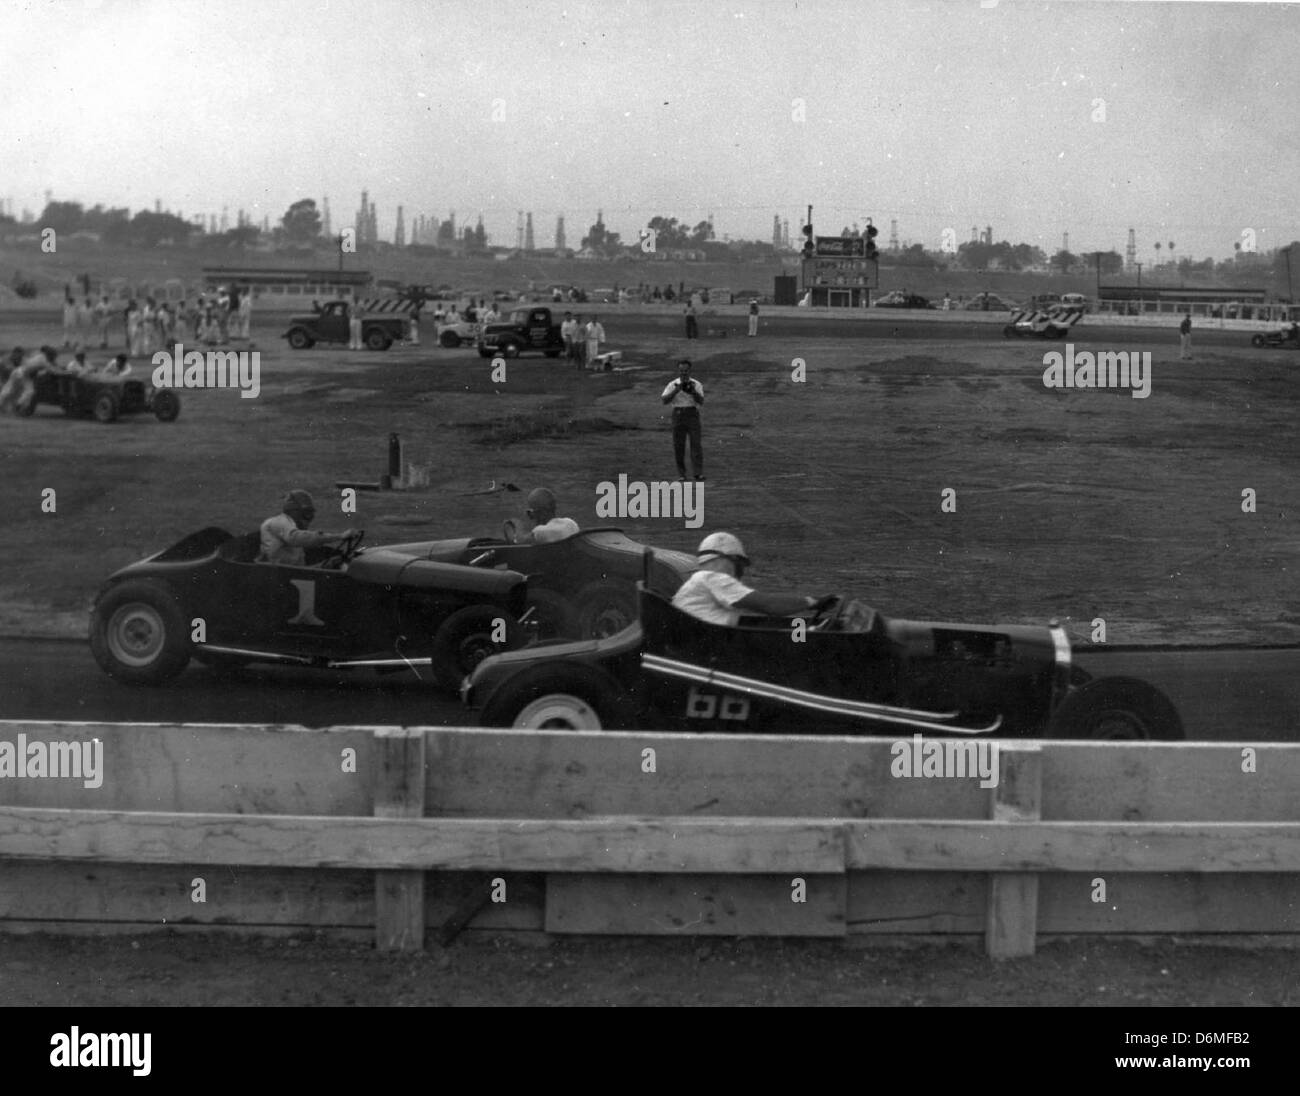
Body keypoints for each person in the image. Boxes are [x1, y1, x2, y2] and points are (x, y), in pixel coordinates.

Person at [672, 532, 828, 627]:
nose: (739, 571)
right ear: (728, 559)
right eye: (738, 564)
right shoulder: (711, 578)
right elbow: (769, 605)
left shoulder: (698, 580)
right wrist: (812, 602)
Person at [259, 490, 357, 566]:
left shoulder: (290, 528)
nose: (309, 519)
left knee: (337, 562)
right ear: (294, 511)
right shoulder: (278, 522)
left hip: (290, 572)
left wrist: (331, 562)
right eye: (307, 514)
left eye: (311, 514)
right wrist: (339, 536)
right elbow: (296, 537)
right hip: (276, 574)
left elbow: (301, 569)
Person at [661, 358, 704, 480]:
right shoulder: (672, 384)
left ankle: (698, 472)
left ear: (690, 371)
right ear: (678, 371)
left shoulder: (696, 384)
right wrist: (676, 390)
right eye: (681, 371)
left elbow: (701, 401)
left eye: (685, 371)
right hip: (678, 413)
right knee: (679, 445)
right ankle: (682, 474)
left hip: (692, 413)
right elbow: (664, 400)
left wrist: (693, 392)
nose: (683, 373)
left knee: (696, 444)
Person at [514, 487, 580, 544]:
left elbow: (519, 542)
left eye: (530, 512)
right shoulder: (571, 523)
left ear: (539, 513)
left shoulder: (540, 532)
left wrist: (517, 529)